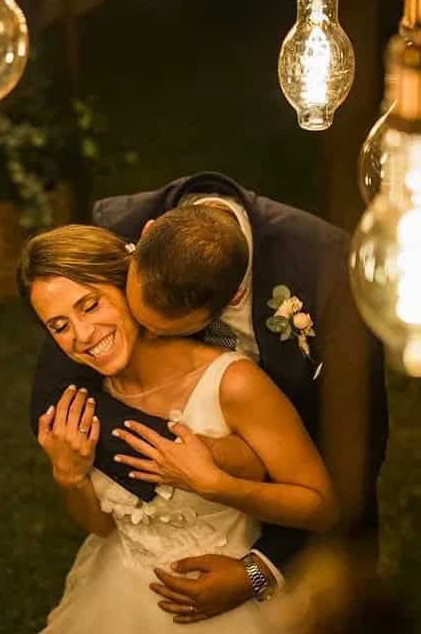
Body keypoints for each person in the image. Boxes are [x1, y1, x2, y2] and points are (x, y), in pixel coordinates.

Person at [29, 172, 387, 618]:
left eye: (163, 330)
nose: (148, 336)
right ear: (140, 243)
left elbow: (348, 469)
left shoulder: (330, 276)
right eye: (62, 324)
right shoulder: (108, 248)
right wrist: (70, 477)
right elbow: (51, 401)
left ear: (230, 299)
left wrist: (257, 567)